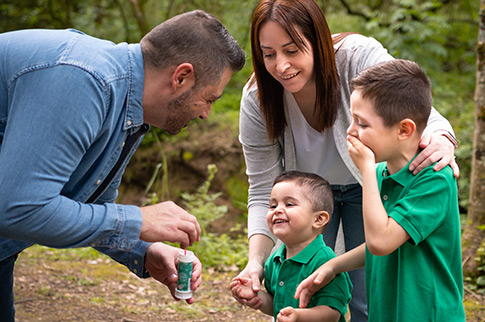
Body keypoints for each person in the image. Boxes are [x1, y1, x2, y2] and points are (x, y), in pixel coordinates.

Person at [0, 9, 245, 321]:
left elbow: (91, 202)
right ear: (181, 77)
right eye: (209, 99)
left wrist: (144, 251)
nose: (206, 113)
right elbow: (18, 209)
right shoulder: (82, 80)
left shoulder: (127, 106)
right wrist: (137, 220)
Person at [232, 0, 459, 321]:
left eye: (292, 50)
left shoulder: (356, 56)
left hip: (370, 187)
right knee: (304, 289)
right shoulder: (258, 97)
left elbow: (408, 102)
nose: (281, 65)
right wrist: (256, 261)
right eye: (268, 54)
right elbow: (261, 189)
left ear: (318, 40)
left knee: (367, 295)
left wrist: (441, 137)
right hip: (310, 199)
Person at [295, 59, 465, 321]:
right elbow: (384, 243)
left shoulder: (434, 179)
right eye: (352, 119)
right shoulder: (380, 173)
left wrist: (365, 169)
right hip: (387, 310)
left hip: (427, 314)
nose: (350, 131)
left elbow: (381, 241)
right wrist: (332, 266)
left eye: (362, 124)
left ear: (404, 129)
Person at [231, 171, 352, 322]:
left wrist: (299, 316)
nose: (278, 210)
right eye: (273, 205)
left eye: (289, 204)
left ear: (319, 219)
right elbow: (277, 306)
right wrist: (257, 296)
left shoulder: (326, 262)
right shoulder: (275, 260)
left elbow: (331, 313)